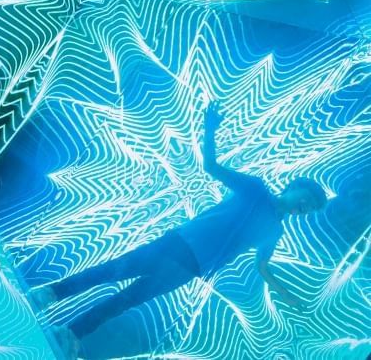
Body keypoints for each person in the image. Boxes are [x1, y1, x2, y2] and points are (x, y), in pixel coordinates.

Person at [32, 101, 328, 357]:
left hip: (193, 266)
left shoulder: (275, 231)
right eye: (309, 199)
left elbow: (263, 267)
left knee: (127, 300)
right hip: (179, 242)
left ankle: (69, 333)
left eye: (312, 208)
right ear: (295, 187)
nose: (307, 207)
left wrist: (285, 295)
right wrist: (210, 127)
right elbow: (212, 167)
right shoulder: (256, 189)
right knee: (114, 270)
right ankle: (50, 294)